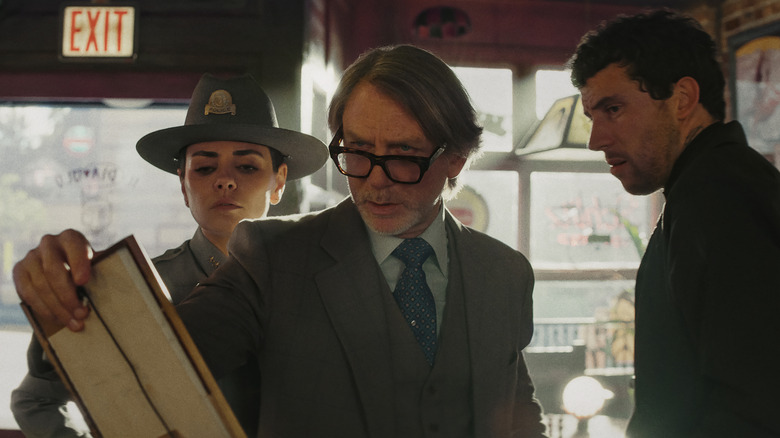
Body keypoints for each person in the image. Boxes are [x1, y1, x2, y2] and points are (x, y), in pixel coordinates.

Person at [13, 44, 546, 437]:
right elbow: (156, 359)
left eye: (404, 155)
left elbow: (519, 411)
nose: (375, 179)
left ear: (455, 159)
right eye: (357, 152)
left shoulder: (505, 273)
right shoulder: (272, 257)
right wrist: (66, 295)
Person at [10, 73, 329, 438]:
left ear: (279, 181)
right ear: (183, 184)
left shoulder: (320, 286)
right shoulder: (139, 292)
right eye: (205, 167)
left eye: (247, 166)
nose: (224, 180)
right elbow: (35, 402)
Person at [568, 9, 780, 438]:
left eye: (613, 108)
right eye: (593, 117)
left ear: (682, 99)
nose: (596, 140)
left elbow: (753, 404)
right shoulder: (711, 185)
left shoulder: (721, 195)